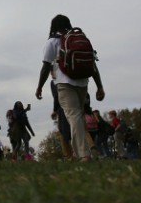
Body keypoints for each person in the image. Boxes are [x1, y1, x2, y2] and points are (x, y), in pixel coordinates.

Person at [35, 15, 105, 162]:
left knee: (74, 117)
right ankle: (80, 151)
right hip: (82, 82)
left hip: (64, 82)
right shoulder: (80, 38)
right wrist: (99, 86)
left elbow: (46, 66)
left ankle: (83, 154)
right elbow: (93, 65)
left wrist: (39, 87)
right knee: (78, 116)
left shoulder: (53, 42)